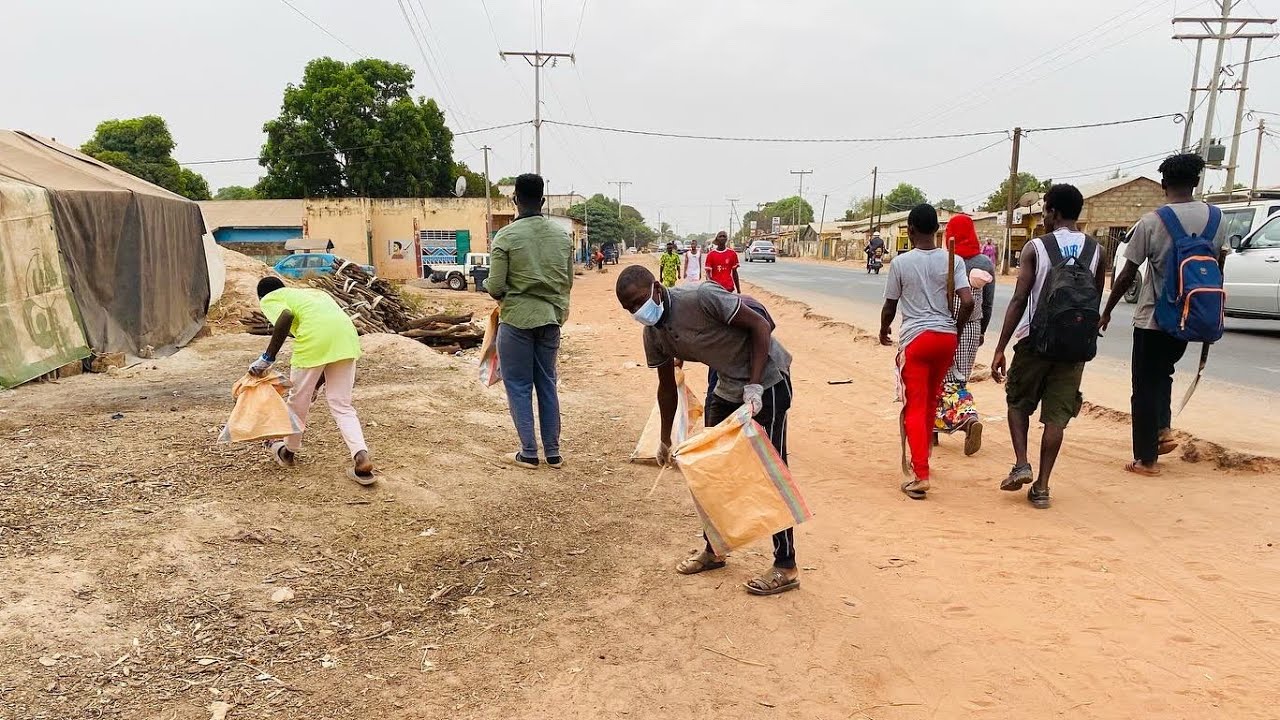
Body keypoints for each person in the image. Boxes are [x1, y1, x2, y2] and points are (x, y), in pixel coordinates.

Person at [615, 265, 799, 596]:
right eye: (629, 308)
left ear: (657, 288)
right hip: (728, 385)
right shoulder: (653, 334)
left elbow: (762, 325)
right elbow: (667, 386)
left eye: (639, 301)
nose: (637, 312)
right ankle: (714, 550)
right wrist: (664, 438)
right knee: (710, 471)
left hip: (767, 380)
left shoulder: (701, 297)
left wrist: (755, 386)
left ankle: (786, 565)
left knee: (769, 470)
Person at [1102, 153, 1226, 477]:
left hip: (1153, 319)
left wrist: (1107, 311)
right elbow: (1216, 266)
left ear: (1163, 184)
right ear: (1196, 182)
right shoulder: (1217, 219)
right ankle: (1162, 430)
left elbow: (1128, 273)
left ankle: (1146, 460)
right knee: (1164, 373)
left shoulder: (1153, 221)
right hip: (1190, 316)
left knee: (1144, 385)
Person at [991, 184, 1104, 508]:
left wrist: (1000, 347)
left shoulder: (1036, 248)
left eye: (1045, 210)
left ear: (1053, 212)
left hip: (1034, 341)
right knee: (1056, 417)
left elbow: (1019, 299)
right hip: (1073, 347)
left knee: (1018, 401)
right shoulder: (1097, 250)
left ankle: (1021, 462)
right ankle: (1042, 487)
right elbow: (1094, 299)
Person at [880, 204, 974, 499]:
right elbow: (968, 302)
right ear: (938, 230)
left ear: (909, 230)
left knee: (915, 406)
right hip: (945, 338)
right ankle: (923, 463)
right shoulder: (953, 260)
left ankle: (921, 474)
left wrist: (884, 330)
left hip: (916, 339)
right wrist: (955, 329)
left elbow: (890, 305)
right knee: (932, 402)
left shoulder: (901, 264)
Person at [485, 173, 574, 469]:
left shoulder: (506, 236)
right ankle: (553, 452)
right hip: (550, 320)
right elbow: (567, 283)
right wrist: (557, 314)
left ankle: (528, 452)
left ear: (515, 200)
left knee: (520, 385)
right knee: (547, 383)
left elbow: (495, 286)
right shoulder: (562, 237)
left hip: (517, 322)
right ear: (543, 200)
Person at [251, 276, 374, 484]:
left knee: (298, 402)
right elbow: (328, 335)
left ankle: (287, 453)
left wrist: (267, 359)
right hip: (346, 338)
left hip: (313, 343)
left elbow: (286, 316)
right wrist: (315, 384)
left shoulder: (269, 299)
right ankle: (361, 457)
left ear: (261, 296)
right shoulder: (311, 294)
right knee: (342, 405)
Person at [934, 214, 997, 455]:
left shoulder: (944, 259)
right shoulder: (983, 262)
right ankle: (963, 422)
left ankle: (962, 421)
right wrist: (981, 331)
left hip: (942, 325)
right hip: (971, 327)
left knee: (938, 379)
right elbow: (988, 304)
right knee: (958, 380)